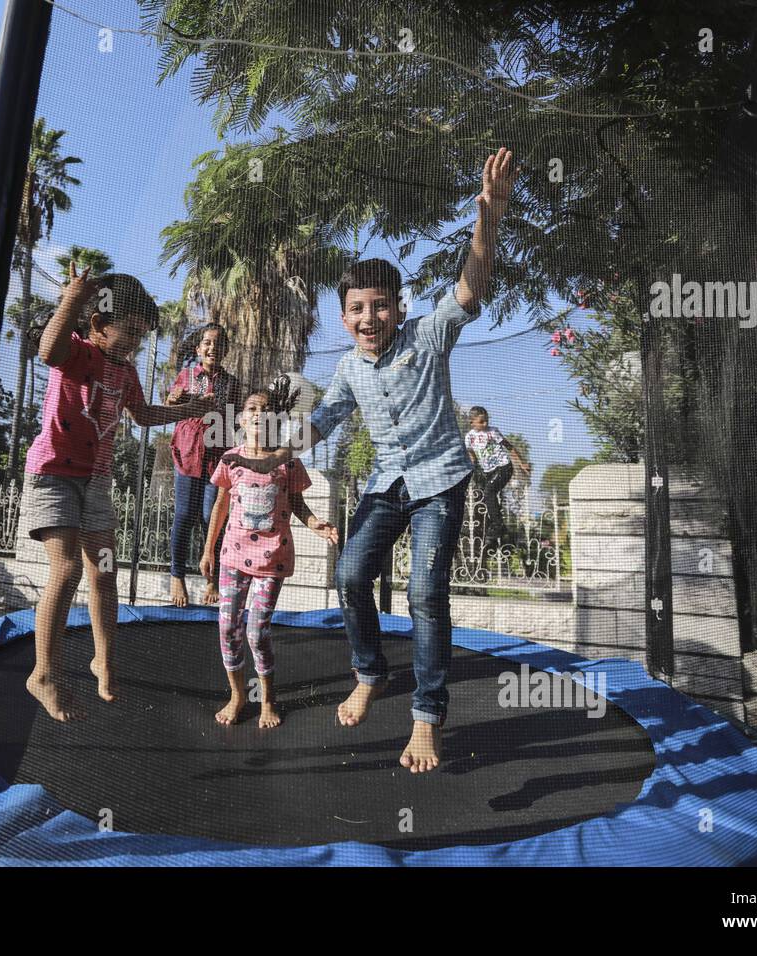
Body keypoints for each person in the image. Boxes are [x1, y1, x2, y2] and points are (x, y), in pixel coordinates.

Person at [224, 147, 514, 772]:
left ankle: (427, 717)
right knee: (352, 575)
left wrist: (487, 217)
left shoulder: (430, 333)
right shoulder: (349, 368)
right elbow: (320, 423)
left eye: (379, 305)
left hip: (440, 481)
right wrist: (270, 448)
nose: (368, 317)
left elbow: (471, 286)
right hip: (388, 485)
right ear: (344, 315)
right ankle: (371, 671)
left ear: (399, 306)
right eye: (356, 308)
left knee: (425, 593)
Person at [23, 265, 214, 721]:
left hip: (98, 479)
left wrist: (190, 409)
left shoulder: (125, 372)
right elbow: (47, 349)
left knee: (102, 573)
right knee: (67, 570)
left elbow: (143, 416)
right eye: (129, 332)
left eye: (142, 336)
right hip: (55, 472)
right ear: (99, 325)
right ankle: (44, 674)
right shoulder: (77, 353)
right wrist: (72, 296)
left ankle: (102, 658)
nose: (135, 344)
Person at [202, 378, 337, 728]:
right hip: (232, 557)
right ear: (241, 420)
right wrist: (208, 551)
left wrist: (316, 524)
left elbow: (297, 504)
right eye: (252, 410)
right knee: (228, 628)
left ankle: (269, 698)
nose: (259, 416)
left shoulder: (287, 463)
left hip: (271, 559)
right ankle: (237, 695)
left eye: (267, 411)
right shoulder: (231, 459)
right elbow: (220, 506)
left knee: (257, 632)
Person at [165, 323, 241, 607]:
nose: (212, 348)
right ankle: (177, 576)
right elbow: (172, 402)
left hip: (215, 458)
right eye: (207, 343)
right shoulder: (187, 375)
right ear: (198, 349)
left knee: (213, 518)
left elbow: (230, 419)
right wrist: (177, 399)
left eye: (218, 344)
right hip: (187, 454)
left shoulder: (230, 383)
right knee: (185, 515)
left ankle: (213, 577)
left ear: (225, 350)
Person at [464, 406, 531, 546]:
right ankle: (493, 528)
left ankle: (498, 526)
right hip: (488, 471)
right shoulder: (469, 437)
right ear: (472, 422)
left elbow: (510, 447)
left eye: (486, 420)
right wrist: (473, 465)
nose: (485, 424)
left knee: (489, 492)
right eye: (481, 422)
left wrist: (521, 463)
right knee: (486, 496)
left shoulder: (493, 432)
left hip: (504, 467)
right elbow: (471, 452)